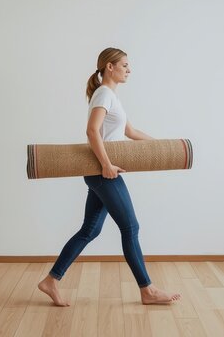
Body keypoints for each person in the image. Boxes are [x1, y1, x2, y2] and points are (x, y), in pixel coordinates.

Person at [37, 47, 182, 306]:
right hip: (104, 173)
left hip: (100, 173)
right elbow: (92, 131)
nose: (129, 69)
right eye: (125, 64)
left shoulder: (110, 95)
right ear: (109, 67)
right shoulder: (104, 94)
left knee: (89, 230)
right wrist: (106, 164)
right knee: (130, 228)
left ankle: (51, 280)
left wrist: (163, 147)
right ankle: (147, 290)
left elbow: (131, 131)